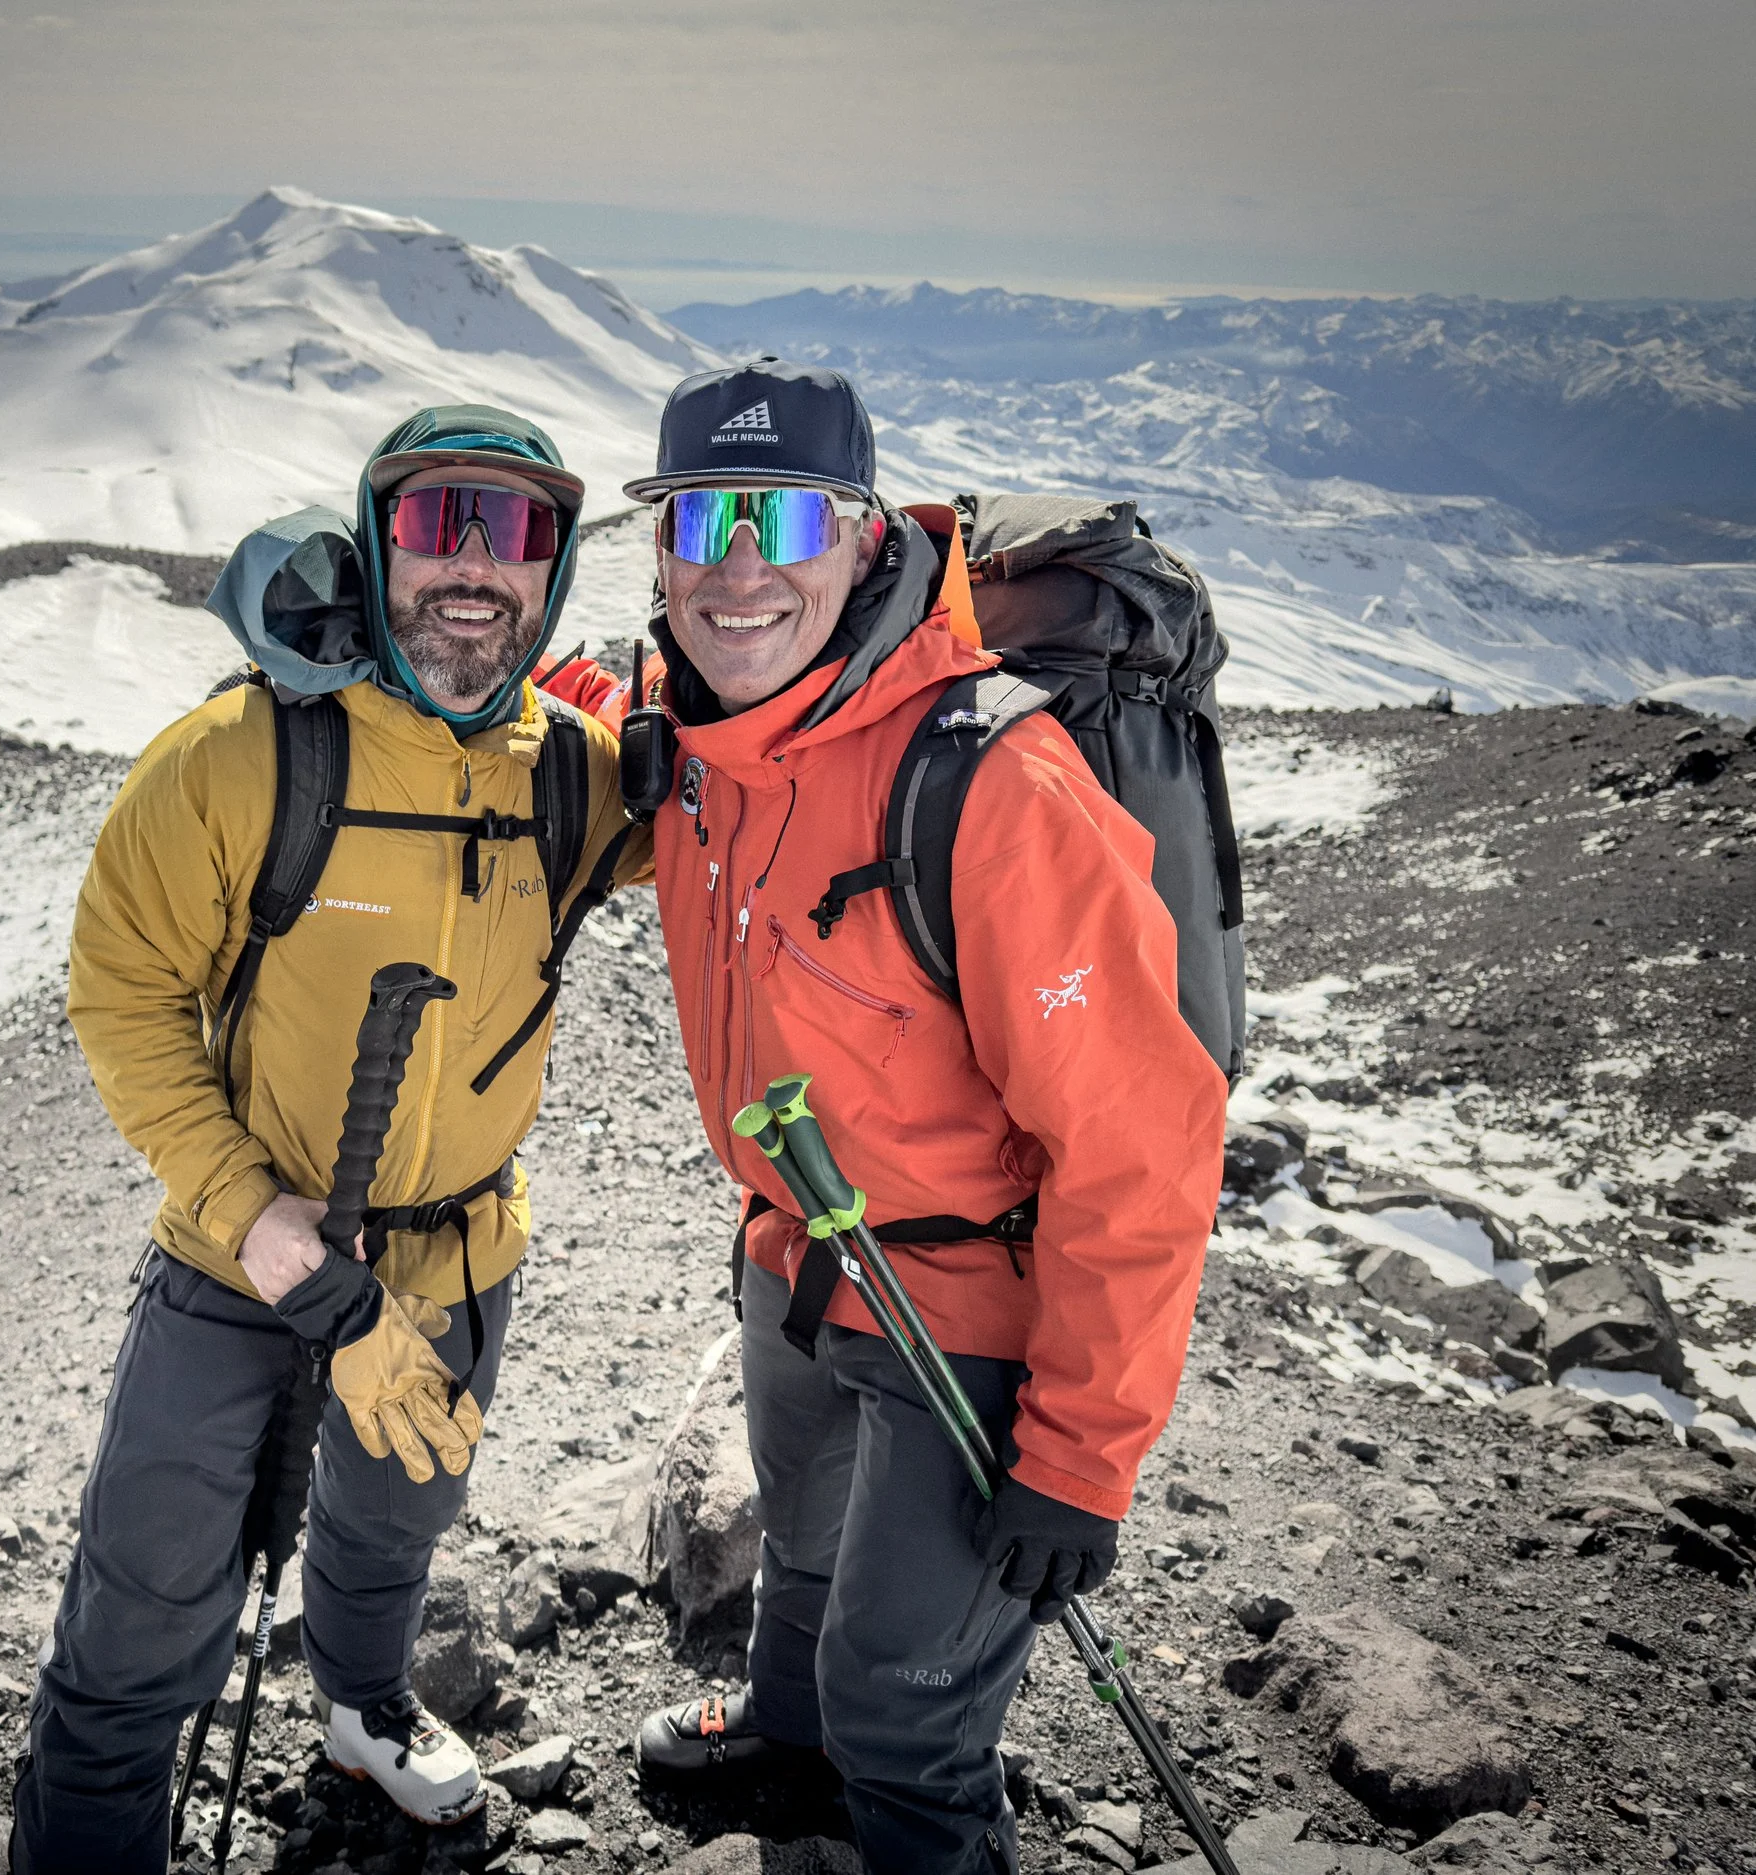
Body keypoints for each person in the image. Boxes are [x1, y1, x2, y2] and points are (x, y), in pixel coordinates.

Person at [608, 363, 1228, 1872]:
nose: (740, 565)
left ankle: (906, 1809)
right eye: (704, 518)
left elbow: (1142, 1141)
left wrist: (1081, 1454)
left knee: (904, 1702)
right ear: (665, 548)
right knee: (805, 1575)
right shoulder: (691, 727)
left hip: (968, 1310)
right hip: (796, 1255)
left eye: (783, 516)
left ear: (863, 533)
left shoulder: (993, 780)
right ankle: (789, 1742)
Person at [14, 406, 643, 1873]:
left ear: (553, 568)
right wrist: (258, 1217)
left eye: (515, 527)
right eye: (438, 522)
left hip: (456, 1259)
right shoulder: (245, 756)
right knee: (140, 1627)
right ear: (376, 540)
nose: (474, 565)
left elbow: (765, 812)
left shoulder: (578, 776)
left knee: (390, 1529)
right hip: (242, 1261)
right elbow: (120, 989)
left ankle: (362, 1706)